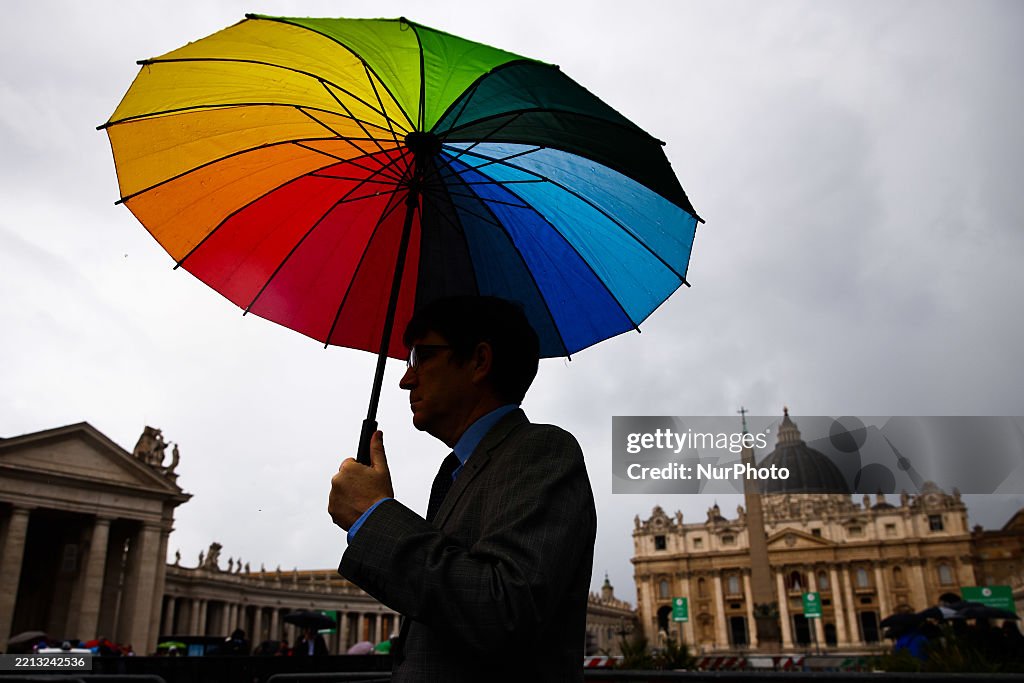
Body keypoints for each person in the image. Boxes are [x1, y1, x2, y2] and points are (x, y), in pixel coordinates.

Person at [328, 296, 597, 682]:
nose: (406, 378)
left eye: (421, 357)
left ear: (479, 362)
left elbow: (505, 610)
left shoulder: (543, 451)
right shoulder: (456, 471)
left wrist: (373, 516)